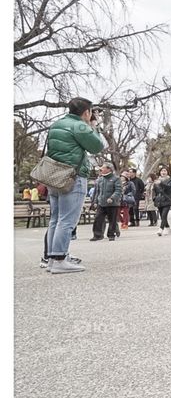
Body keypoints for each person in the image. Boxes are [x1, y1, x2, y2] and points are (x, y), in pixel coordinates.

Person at [41, 97, 106, 273]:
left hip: (54, 175)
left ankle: (52, 259)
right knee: (67, 220)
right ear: (87, 112)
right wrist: (94, 125)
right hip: (72, 176)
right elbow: (97, 146)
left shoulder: (57, 124)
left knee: (55, 219)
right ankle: (60, 259)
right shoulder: (80, 126)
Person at [90, 163, 122, 242]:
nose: (101, 169)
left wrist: (112, 198)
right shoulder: (100, 179)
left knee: (112, 220)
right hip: (101, 203)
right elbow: (97, 192)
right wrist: (95, 202)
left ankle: (111, 234)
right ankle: (97, 235)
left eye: (103, 168)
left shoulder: (116, 179)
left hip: (112, 203)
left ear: (109, 169)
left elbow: (118, 190)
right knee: (98, 218)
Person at [153, 166, 171, 236]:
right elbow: (154, 191)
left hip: (167, 200)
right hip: (159, 200)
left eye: (165, 171)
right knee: (162, 216)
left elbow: (169, 188)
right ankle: (168, 228)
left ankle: (161, 229)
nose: (163, 172)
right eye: (162, 171)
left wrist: (161, 183)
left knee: (164, 215)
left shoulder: (170, 180)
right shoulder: (156, 181)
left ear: (167, 172)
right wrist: (154, 198)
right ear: (160, 172)